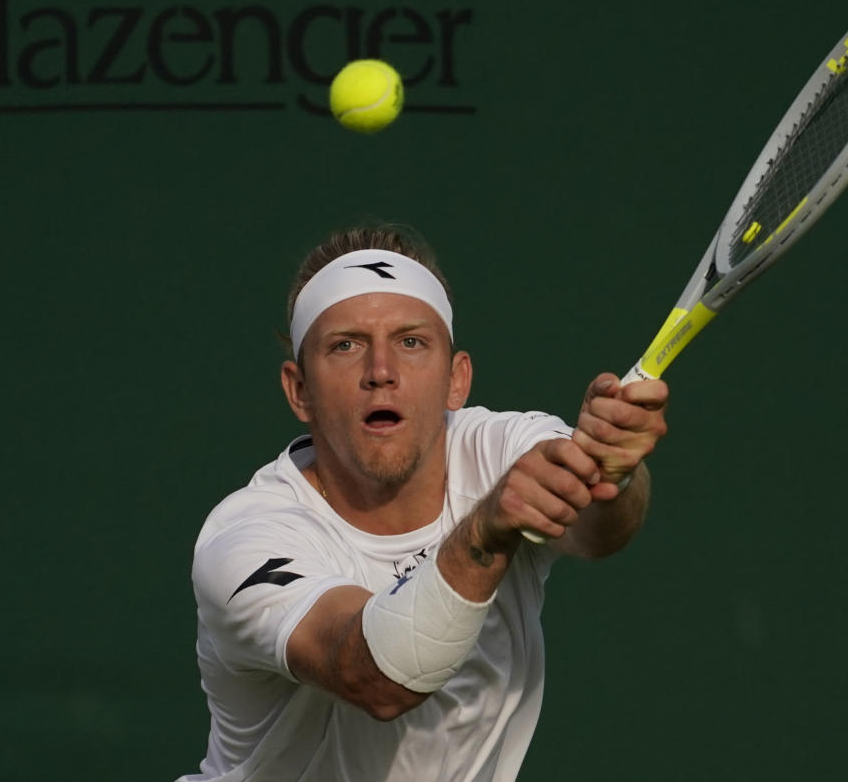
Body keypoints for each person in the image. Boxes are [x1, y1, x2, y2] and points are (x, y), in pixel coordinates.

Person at [177, 225, 668, 782]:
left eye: (411, 342)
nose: (380, 372)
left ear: (457, 380)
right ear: (300, 390)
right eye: (346, 345)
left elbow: (600, 529)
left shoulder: (498, 449)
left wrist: (613, 474)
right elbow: (373, 675)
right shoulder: (247, 539)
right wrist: (485, 531)